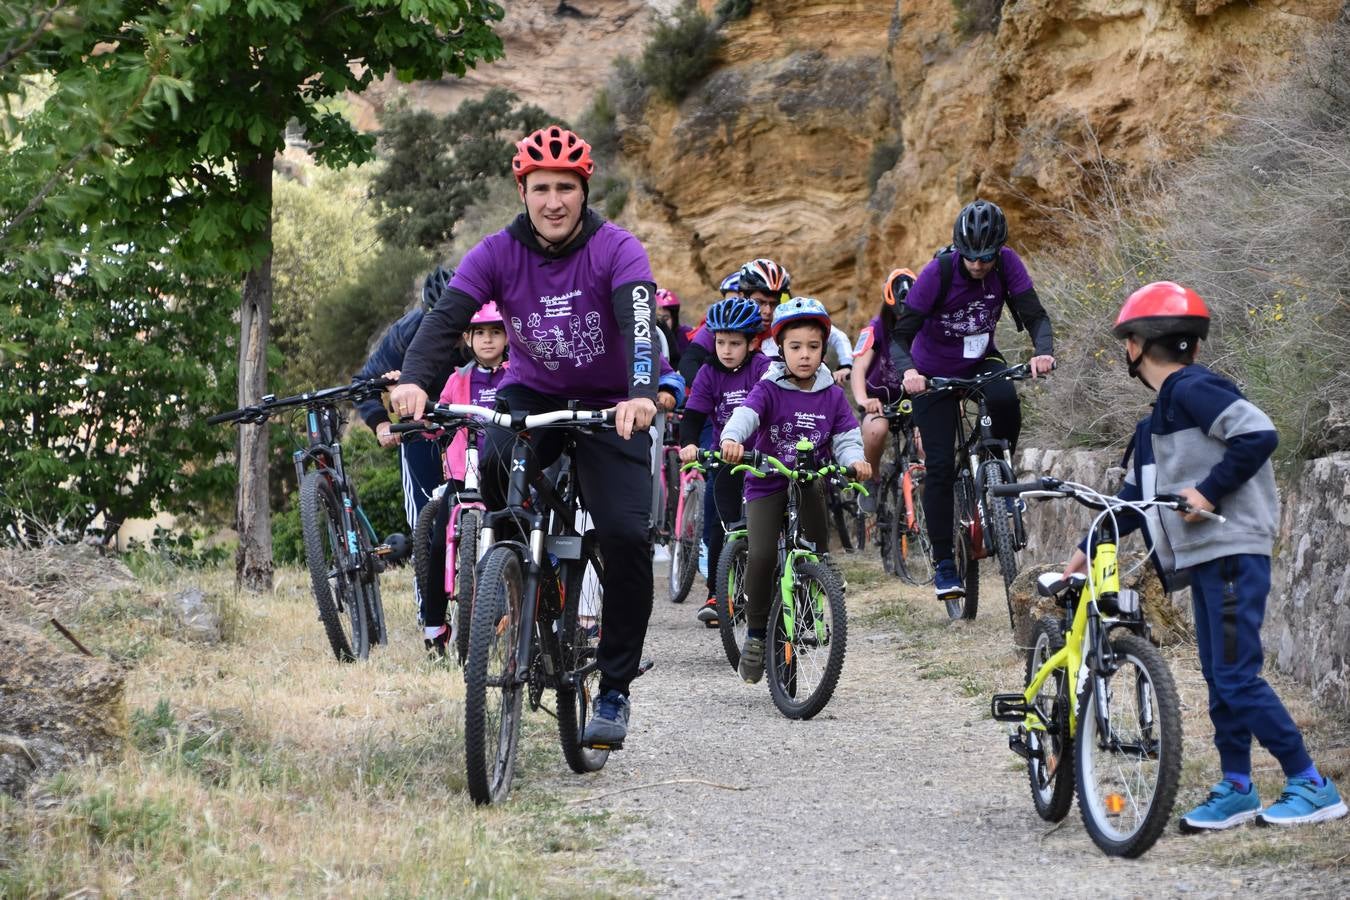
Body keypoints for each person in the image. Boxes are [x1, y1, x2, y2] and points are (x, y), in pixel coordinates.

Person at [390, 124, 658, 748]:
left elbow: (639, 323)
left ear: (584, 190)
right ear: (523, 191)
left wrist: (641, 392)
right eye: (541, 188)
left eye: (566, 187)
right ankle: (524, 577)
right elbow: (445, 318)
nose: (554, 201)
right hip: (532, 394)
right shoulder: (495, 253)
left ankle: (614, 690)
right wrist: (414, 381)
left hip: (610, 404)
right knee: (491, 470)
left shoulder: (618, 249)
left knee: (624, 535)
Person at [1061, 281, 1345, 831]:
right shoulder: (1155, 424)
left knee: (1237, 677)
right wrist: (1086, 546)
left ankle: (1311, 783)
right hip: (1211, 561)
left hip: (1233, 552)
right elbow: (1132, 504)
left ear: (1136, 345)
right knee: (1221, 678)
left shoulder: (1195, 388)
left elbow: (1259, 433)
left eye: (1127, 341)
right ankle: (1236, 786)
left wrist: (1209, 491)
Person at [890, 199, 1055, 601]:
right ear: (958, 249)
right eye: (971, 257)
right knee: (942, 466)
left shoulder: (1008, 264)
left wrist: (1043, 350)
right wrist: (910, 372)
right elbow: (900, 336)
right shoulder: (937, 274)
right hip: (932, 372)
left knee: (1005, 400)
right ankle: (946, 566)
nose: (979, 265)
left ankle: (1002, 469)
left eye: (987, 257)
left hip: (982, 360)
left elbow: (1035, 315)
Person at [718, 298, 869, 683]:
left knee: (816, 521)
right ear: (780, 348)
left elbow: (847, 435)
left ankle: (816, 576)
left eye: (814, 347)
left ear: (824, 349)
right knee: (763, 553)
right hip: (767, 482)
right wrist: (733, 439)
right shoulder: (769, 387)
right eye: (796, 347)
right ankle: (754, 634)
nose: (805, 355)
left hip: (805, 481)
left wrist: (855, 459)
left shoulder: (832, 394)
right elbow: (745, 415)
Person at [354, 264, 468, 626]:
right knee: (426, 521)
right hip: (419, 430)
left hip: (469, 427)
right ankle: (429, 612)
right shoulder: (405, 332)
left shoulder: (483, 332)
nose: (448, 336)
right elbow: (365, 381)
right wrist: (381, 422)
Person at [417, 302, 509, 657]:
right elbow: (438, 414)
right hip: (462, 473)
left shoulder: (516, 374)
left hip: (501, 471)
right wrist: (426, 423)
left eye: (496, 332)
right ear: (468, 338)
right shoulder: (457, 380)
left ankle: (521, 610)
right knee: (440, 542)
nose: (488, 340)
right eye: (480, 333)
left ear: (507, 336)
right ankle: (435, 625)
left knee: (514, 532)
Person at [678, 297, 770, 626]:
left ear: (752, 343)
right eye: (720, 342)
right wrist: (688, 444)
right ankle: (718, 593)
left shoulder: (763, 368)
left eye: (735, 343)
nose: (726, 350)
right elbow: (692, 416)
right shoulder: (708, 372)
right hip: (725, 456)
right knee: (721, 525)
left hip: (763, 455)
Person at [850, 267, 915, 511]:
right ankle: (873, 478)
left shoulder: (927, 325)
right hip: (879, 399)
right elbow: (859, 367)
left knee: (923, 442)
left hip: (914, 398)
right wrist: (863, 399)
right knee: (877, 430)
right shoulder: (876, 327)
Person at [655, 288, 692, 367]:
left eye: (666, 318)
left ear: (674, 318)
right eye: (658, 320)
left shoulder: (687, 334)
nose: (663, 324)